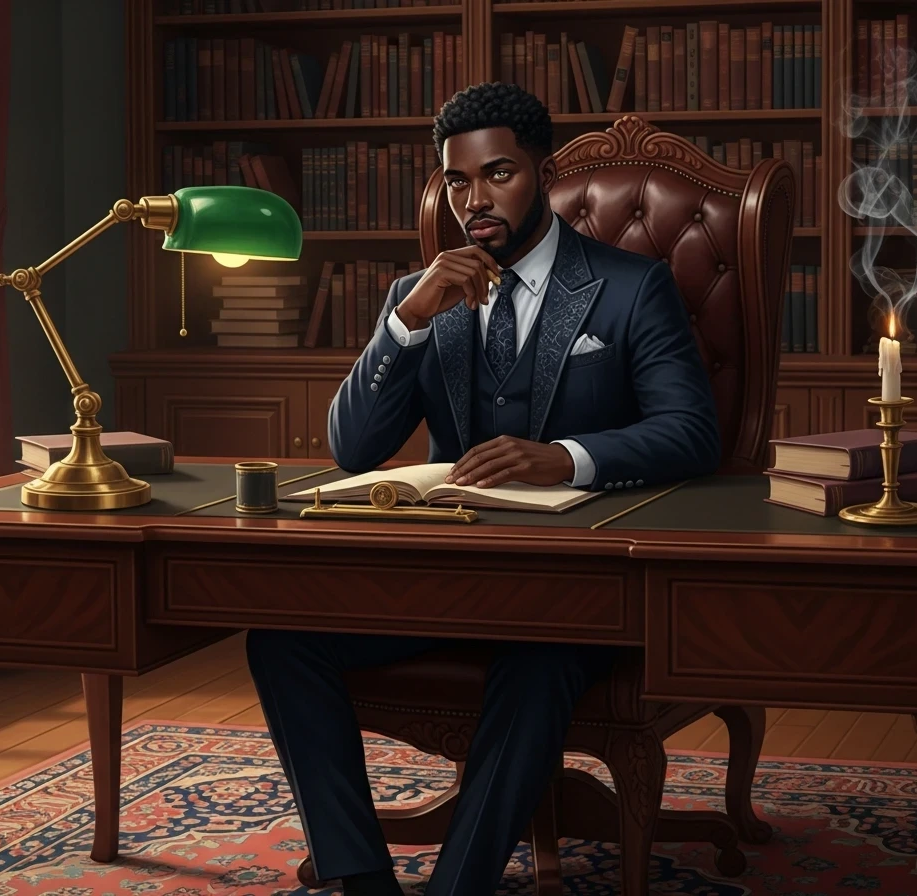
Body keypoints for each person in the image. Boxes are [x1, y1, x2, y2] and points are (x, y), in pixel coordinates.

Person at [246, 81, 721, 895]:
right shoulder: (418, 295)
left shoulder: (629, 287)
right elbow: (351, 447)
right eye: (459, 183)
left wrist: (564, 456)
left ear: (543, 173)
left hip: (575, 592)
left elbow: (691, 433)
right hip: (444, 580)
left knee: (538, 661)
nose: (476, 200)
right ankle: (361, 879)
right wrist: (409, 322)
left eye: (498, 174)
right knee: (280, 640)